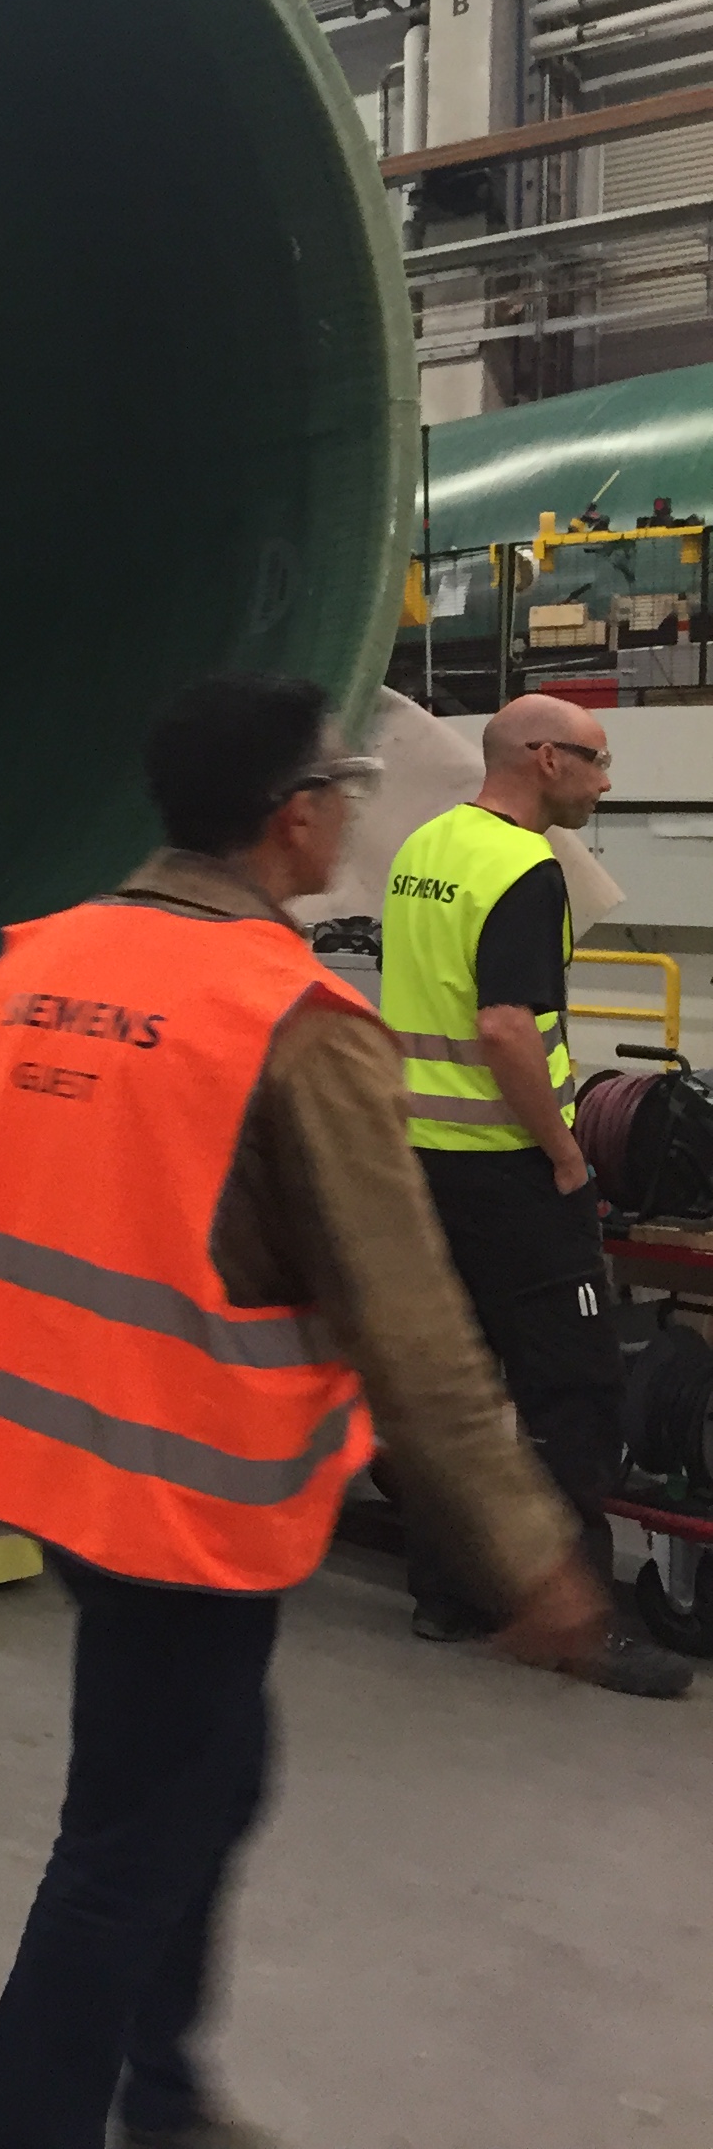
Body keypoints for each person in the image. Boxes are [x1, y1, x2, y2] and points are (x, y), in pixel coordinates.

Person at [0, 673, 606, 2149]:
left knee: (209, 1779)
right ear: (295, 818)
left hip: (52, 1461)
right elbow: (411, 1325)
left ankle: (166, 2099)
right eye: (343, 791)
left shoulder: (32, 970)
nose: (350, 816)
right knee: (122, 1854)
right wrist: (527, 1550)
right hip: (189, 1497)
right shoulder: (289, 1021)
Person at [379, 693, 691, 1697]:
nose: (605, 781)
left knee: (460, 1383)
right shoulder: (523, 868)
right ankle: (577, 1620)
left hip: (424, 1159)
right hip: (512, 1168)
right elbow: (507, 1028)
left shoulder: (425, 848)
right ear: (546, 759)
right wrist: (565, 1154)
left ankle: (448, 1592)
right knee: (575, 1392)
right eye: (596, 761)